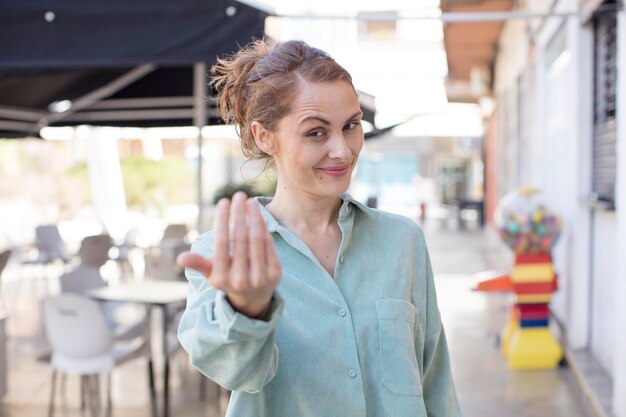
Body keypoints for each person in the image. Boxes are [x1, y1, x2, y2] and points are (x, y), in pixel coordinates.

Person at [177, 39, 461, 417]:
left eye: (351, 126)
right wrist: (246, 310)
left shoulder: (402, 241)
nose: (343, 150)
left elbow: (435, 382)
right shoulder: (224, 254)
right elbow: (232, 371)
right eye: (316, 132)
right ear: (265, 137)